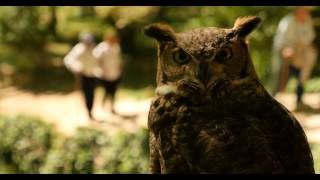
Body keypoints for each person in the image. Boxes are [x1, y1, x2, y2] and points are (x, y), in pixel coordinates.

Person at [271, 6, 317, 110]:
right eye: (304, 9)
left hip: (301, 52)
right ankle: (273, 100)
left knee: (303, 73)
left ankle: (299, 100)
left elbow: (309, 36)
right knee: (280, 75)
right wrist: (286, 49)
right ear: (297, 10)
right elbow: (281, 40)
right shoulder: (287, 22)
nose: (306, 12)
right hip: (285, 50)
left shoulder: (308, 20)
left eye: (307, 10)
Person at [64, 32, 99, 120]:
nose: (88, 44)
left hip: (93, 74)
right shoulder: (78, 49)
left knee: (91, 94)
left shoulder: (95, 49)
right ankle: (88, 110)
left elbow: (98, 60)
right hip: (83, 75)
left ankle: (90, 110)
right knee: (86, 94)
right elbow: (68, 60)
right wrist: (76, 67)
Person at [93, 32, 123, 114]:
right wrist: (100, 69)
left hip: (115, 72)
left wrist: (120, 68)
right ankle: (103, 104)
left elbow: (118, 59)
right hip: (104, 73)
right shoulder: (101, 47)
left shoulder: (116, 47)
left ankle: (112, 106)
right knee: (107, 90)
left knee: (113, 90)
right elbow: (96, 59)